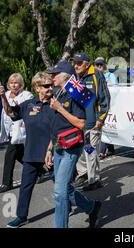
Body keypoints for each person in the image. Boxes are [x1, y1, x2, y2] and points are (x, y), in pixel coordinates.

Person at [45, 60, 102, 228]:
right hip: (57, 146)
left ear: (64, 77)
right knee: (65, 189)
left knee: (59, 192)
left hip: (71, 147)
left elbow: (82, 124)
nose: (52, 77)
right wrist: (49, 148)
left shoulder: (74, 94)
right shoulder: (58, 93)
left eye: (55, 74)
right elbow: (56, 125)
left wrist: (59, 108)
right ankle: (92, 207)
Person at [0, 72, 54, 228]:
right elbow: (11, 113)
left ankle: (88, 206)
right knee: (25, 186)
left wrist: (50, 149)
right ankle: (21, 216)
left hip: (51, 153)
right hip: (31, 152)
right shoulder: (29, 104)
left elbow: (58, 130)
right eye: (46, 86)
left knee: (64, 188)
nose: (50, 88)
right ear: (37, 87)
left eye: (51, 85)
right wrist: (3, 97)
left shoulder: (56, 104)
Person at [72, 53, 110, 191]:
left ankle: (94, 180)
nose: (76, 65)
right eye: (74, 63)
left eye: (79, 63)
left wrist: (101, 119)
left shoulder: (97, 75)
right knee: (82, 150)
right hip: (78, 122)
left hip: (92, 123)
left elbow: (105, 98)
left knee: (90, 150)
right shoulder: (76, 76)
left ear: (87, 64)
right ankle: (83, 174)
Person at [0, 73, 33, 193]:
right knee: (18, 154)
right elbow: (6, 110)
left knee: (10, 155)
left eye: (16, 83)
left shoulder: (27, 95)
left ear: (21, 84)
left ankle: (7, 183)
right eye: (11, 83)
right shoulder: (6, 94)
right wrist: (2, 96)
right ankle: (40, 170)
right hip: (10, 129)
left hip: (21, 128)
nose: (14, 85)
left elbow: (27, 110)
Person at [94, 57, 116, 159]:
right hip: (95, 109)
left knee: (105, 128)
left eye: (100, 65)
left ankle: (102, 151)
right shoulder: (92, 76)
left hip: (107, 107)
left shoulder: (111, 76)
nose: (98, 67)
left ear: (104, 66)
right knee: (104, 130)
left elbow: (114, 90)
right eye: (96, 65)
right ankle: (107, 149)